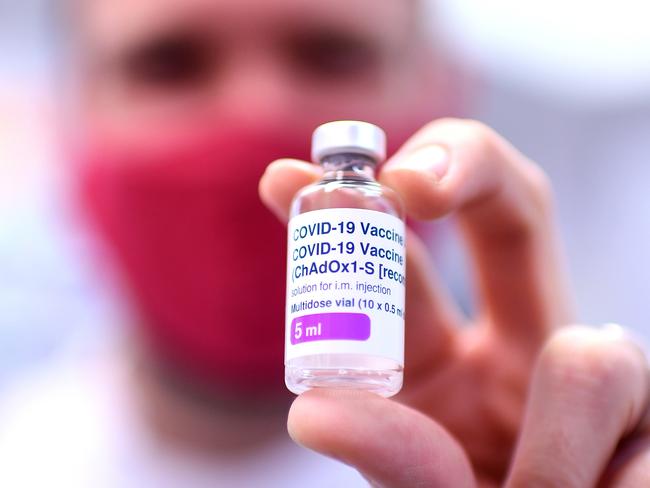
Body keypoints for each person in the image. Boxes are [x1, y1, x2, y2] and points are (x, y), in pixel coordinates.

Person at [2, 0, 649, 486]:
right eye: (170, 64)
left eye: (330, 54)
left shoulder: (511, 444)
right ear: (68, 115)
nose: (256, 111)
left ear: (443, 95)